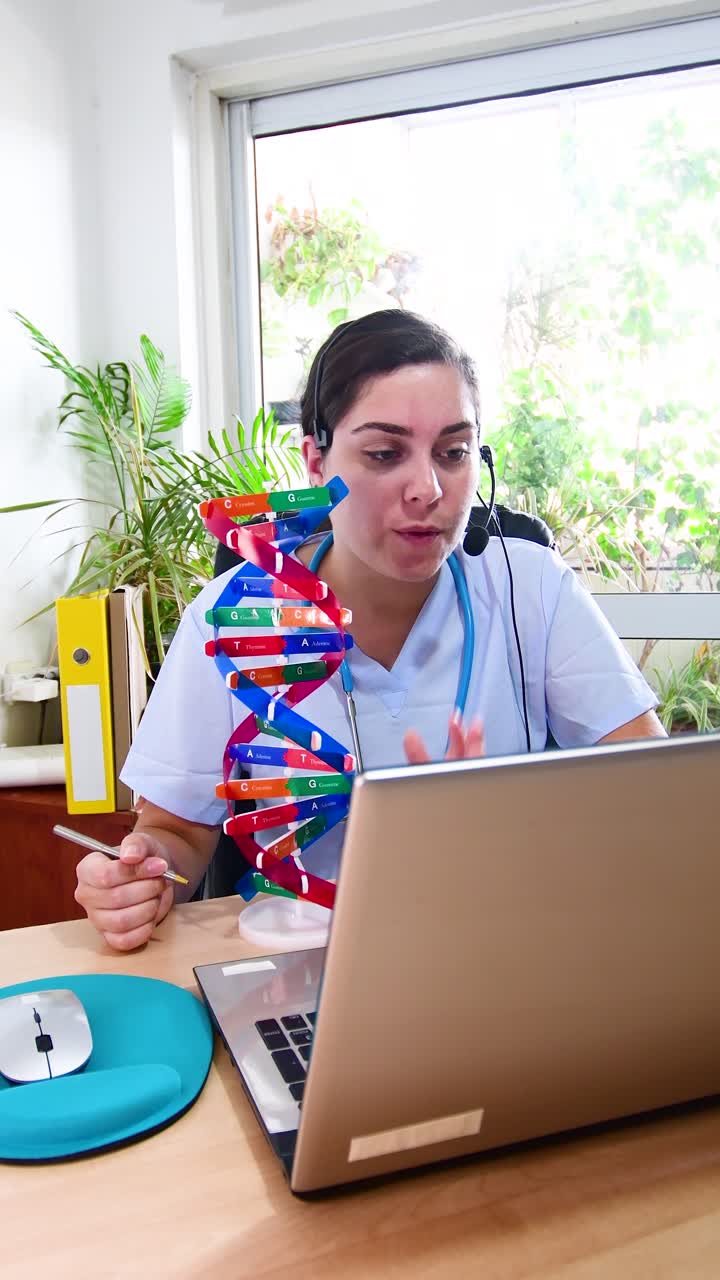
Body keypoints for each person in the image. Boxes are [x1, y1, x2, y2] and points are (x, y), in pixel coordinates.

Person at [74, 310, 664, 950]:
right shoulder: (233, 618)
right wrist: (143, 877)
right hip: (306, 962)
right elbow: (175, 832)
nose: (427, 489)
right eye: (385, 454)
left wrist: (517, 831)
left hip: (505, 944)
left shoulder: (529, 586)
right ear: (316, 460)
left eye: (454, 453)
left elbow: (652, 793)